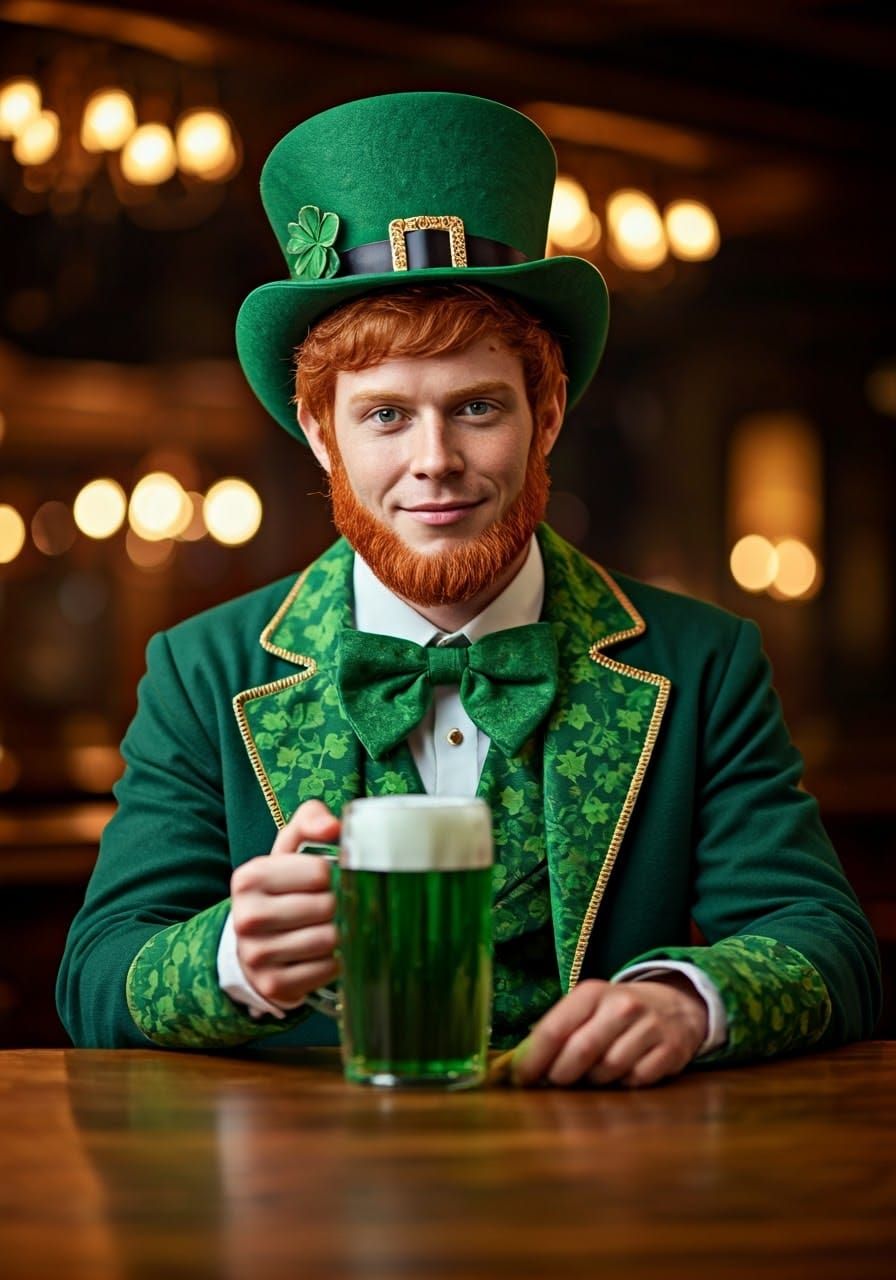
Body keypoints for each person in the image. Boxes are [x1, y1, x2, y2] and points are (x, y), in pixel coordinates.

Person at [57, 91, 881, 1087]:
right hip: (299, 1204)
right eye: (385, 416)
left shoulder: (700, 661)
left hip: (609, 1192)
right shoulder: (200, 670)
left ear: (547, 411)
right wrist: (234, 960)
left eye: (476, 406)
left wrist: (682, 999)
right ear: (322, 435)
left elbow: (827, 942)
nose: (434, 461)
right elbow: (95, 975)